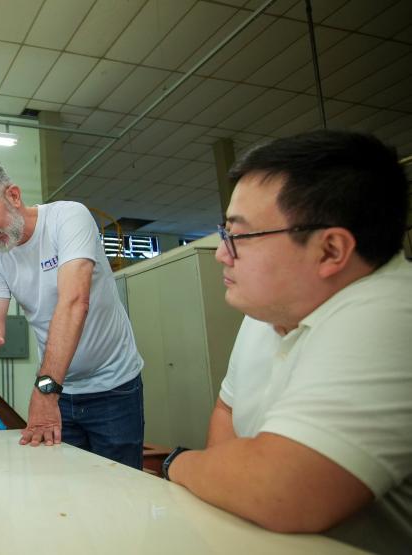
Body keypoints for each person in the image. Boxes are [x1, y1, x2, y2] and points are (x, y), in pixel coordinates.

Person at [162, 130, 411, 553]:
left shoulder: (393, 309)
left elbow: (281, 489)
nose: (223, 254)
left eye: (238, 236)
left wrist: (178, 463)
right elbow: (228, 408)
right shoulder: (268, 312)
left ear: (330, 250)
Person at [0, 163, 144, 468]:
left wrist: (45, 391)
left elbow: (74, 302)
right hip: (60, 390)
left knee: (120, 490)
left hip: (113, 386)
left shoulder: (68, 218)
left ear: (14, 195)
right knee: (64, 490)